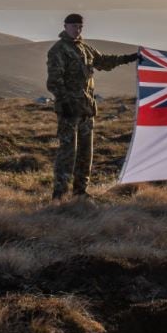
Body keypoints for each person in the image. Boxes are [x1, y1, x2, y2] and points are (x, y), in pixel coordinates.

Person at [46, 13, 139, 200]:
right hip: (69, 111)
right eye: (73, 26)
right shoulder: (58, 50)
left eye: (80, 27)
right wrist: (65, 102)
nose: (77, 30)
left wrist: (130, 58)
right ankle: (60, 194)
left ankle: (80, 191)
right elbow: (54, 82)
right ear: (65, 26)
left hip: (86, 109)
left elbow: (104, 61)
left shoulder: (85, 48)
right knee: (67, 152)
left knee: (85, 153)